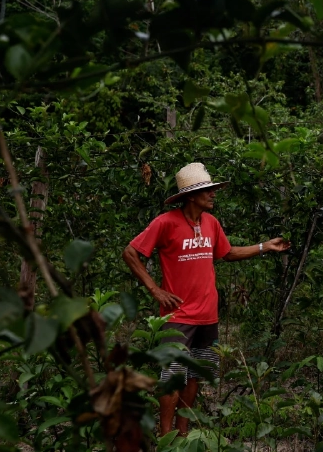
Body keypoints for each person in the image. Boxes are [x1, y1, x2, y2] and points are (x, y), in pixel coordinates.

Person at [122, 162, 290, 436]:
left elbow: (227, 253)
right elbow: (130, 252)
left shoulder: (211, 222)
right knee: (173, 377)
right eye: (207, 191)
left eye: (213, 190)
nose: (213, 194)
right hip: (177, 316)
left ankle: (183, 435)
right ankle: (165, 440)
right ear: (190, 196)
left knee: (195, 376)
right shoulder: (165, 222)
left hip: (207, 316)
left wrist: (265, 246)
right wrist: (155, 290)